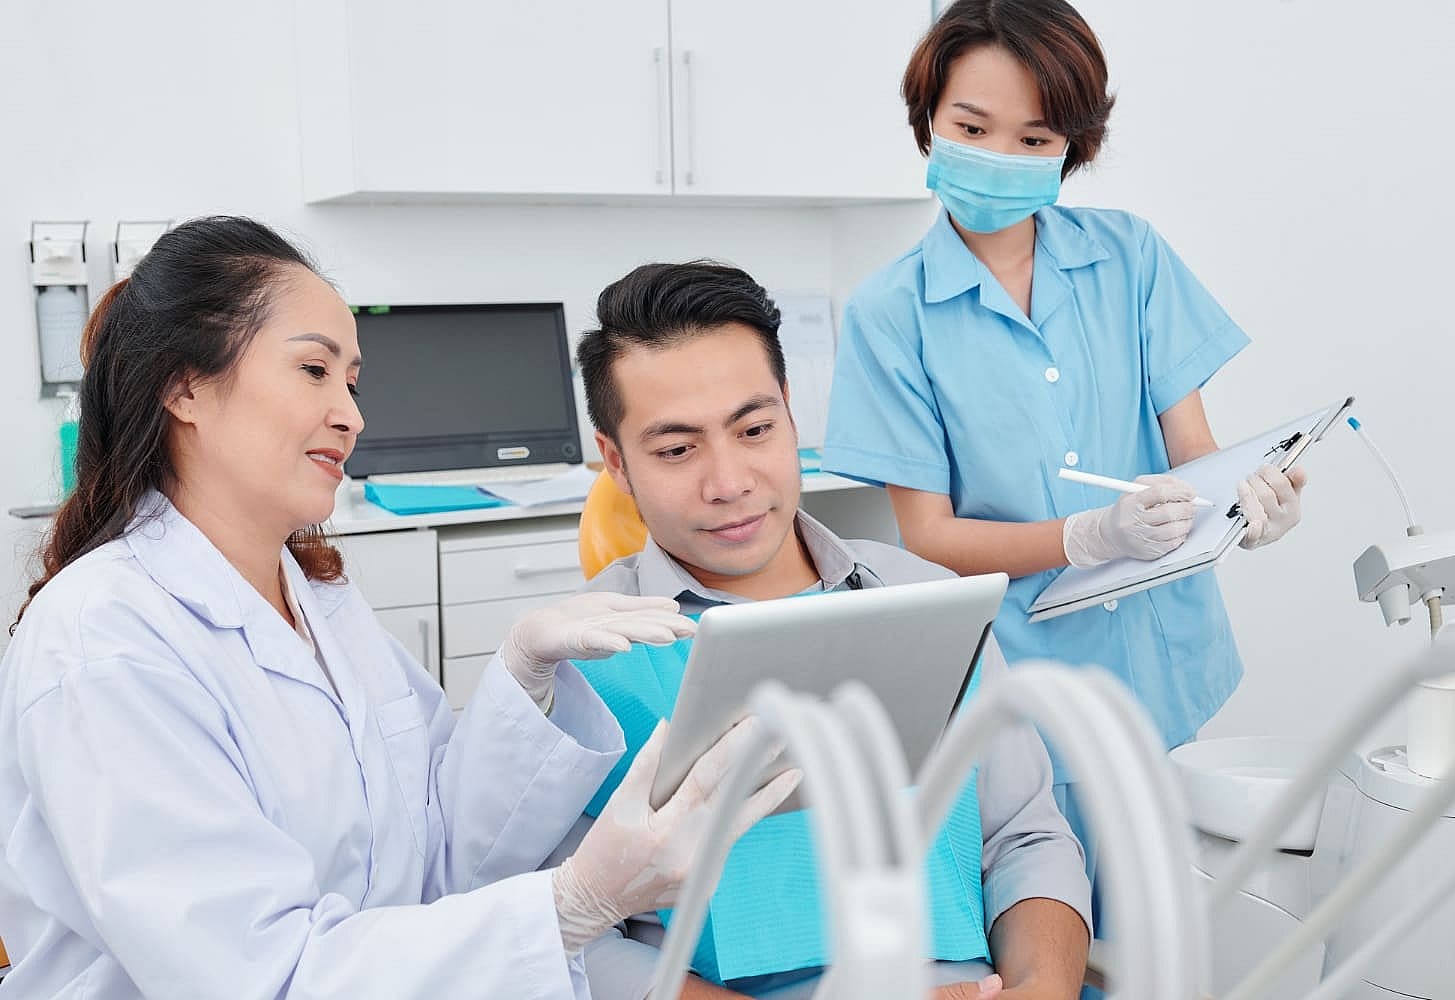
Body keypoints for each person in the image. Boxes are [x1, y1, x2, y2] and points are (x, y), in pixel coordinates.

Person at [0, 217, 799, 999]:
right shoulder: (103, 641)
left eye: (351, 380)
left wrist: (524, 678)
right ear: (185, 386)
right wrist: (572, 904)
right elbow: (260, 976)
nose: (352, 414)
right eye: (314, 371)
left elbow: (438, 858)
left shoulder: (319, 604)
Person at [820, 0, 1308, 955]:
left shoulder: (1129, 257)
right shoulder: (891, 314)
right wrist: (1082, 540)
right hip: (1023, 685)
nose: (999, 155)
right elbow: (930, 536)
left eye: (1033, 135)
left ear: (1071, 146)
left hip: (1166, 664)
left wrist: (1253, 500)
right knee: (1054, 935)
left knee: (1163, 937)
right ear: (929, 119)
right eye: (971, 127)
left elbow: (1192, 456)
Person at [559, 261, 1091, 1000]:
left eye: (754, 429)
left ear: (789, 413)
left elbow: (1025, 838)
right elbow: (568, 941)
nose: (729, 481)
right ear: (615, 461)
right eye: (677, 450)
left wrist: (1041, 990)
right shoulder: (582, 660)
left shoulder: (926, 600)